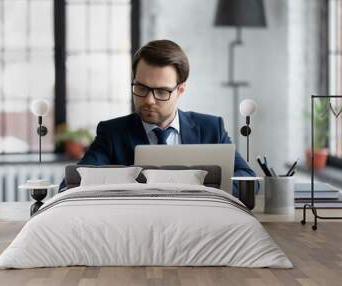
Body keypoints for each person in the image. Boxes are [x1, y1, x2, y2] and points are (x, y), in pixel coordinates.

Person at [59, 39, 256, 196]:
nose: (149, 100)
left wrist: (191, 190)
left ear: (180, 90)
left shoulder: (211, 128)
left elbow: (248, 180)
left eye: (161, 91)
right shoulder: (112, 133)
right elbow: (72, 184)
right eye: (141, 88)